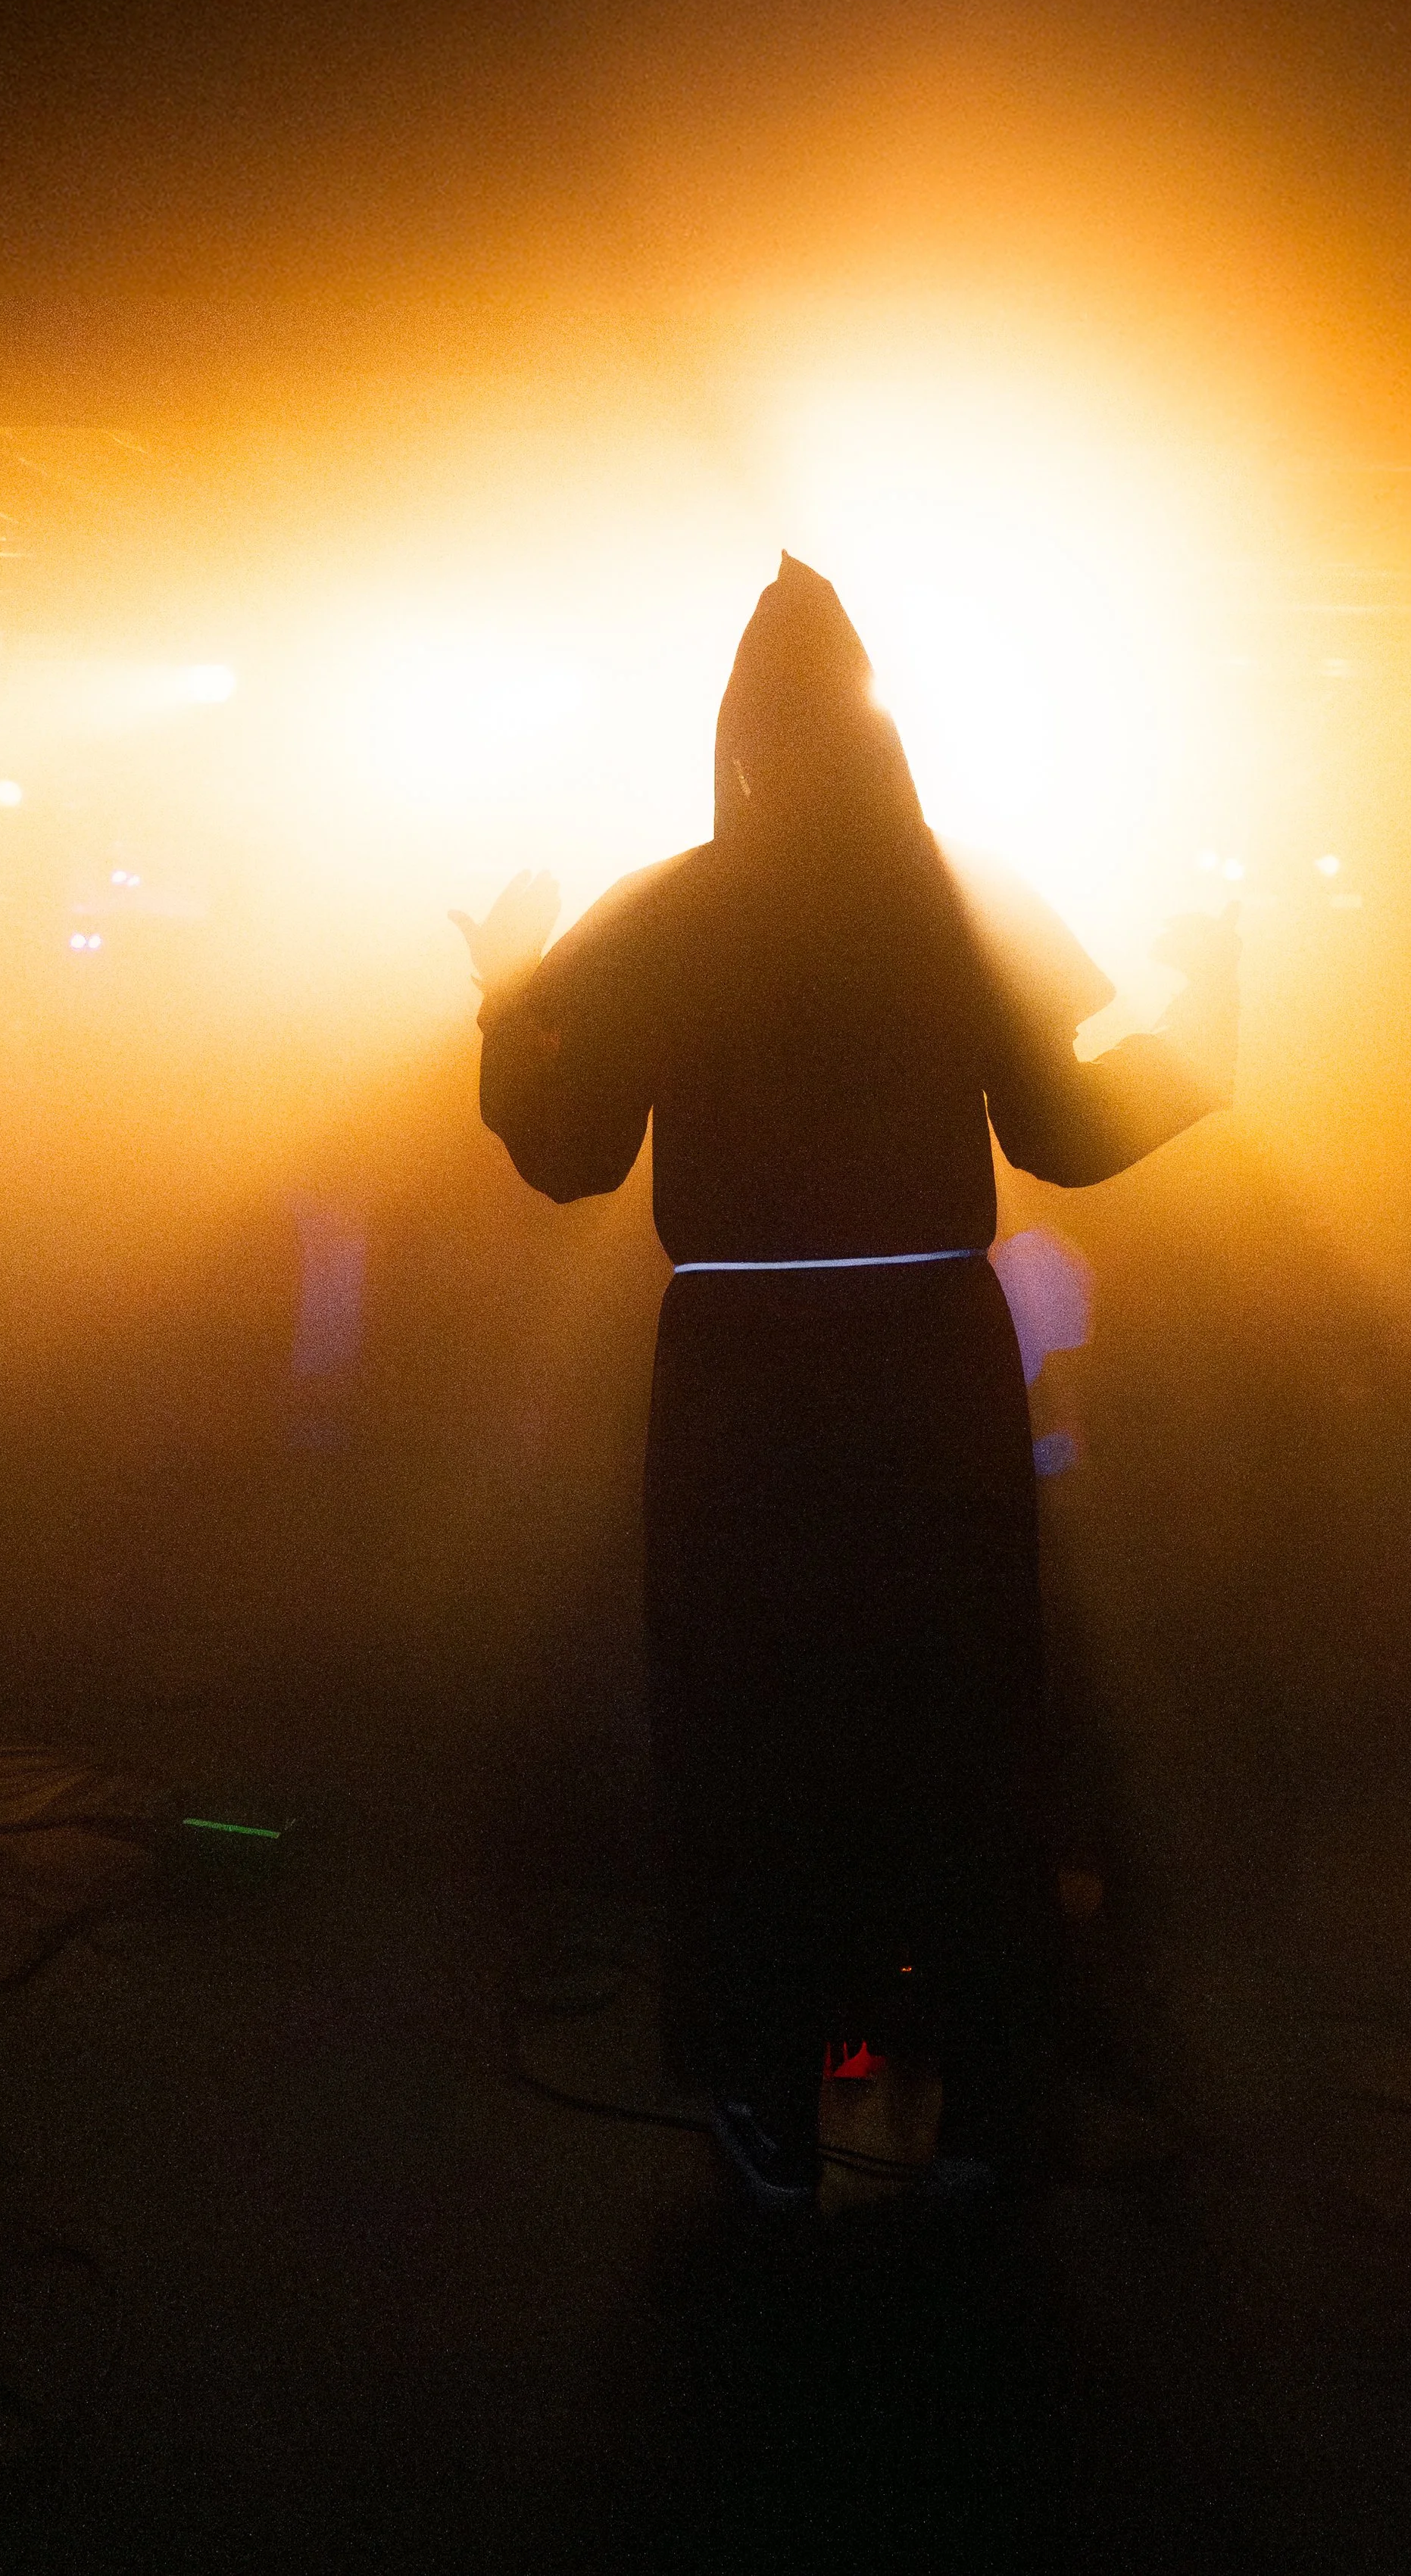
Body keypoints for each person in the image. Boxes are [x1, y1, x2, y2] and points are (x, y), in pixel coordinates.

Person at [454, 555, 1237, 2211]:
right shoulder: (956, 892)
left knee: (745, 1721)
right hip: (926, 1364)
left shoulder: (668, 904)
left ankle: (758, 2093)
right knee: (951, 1721)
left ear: (730, 733)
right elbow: (1063, 1132)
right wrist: (1206, 1030)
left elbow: (570, 1155)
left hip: (738, 1375)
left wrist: (502, 1000)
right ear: (886, 729)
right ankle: (974, 2104)